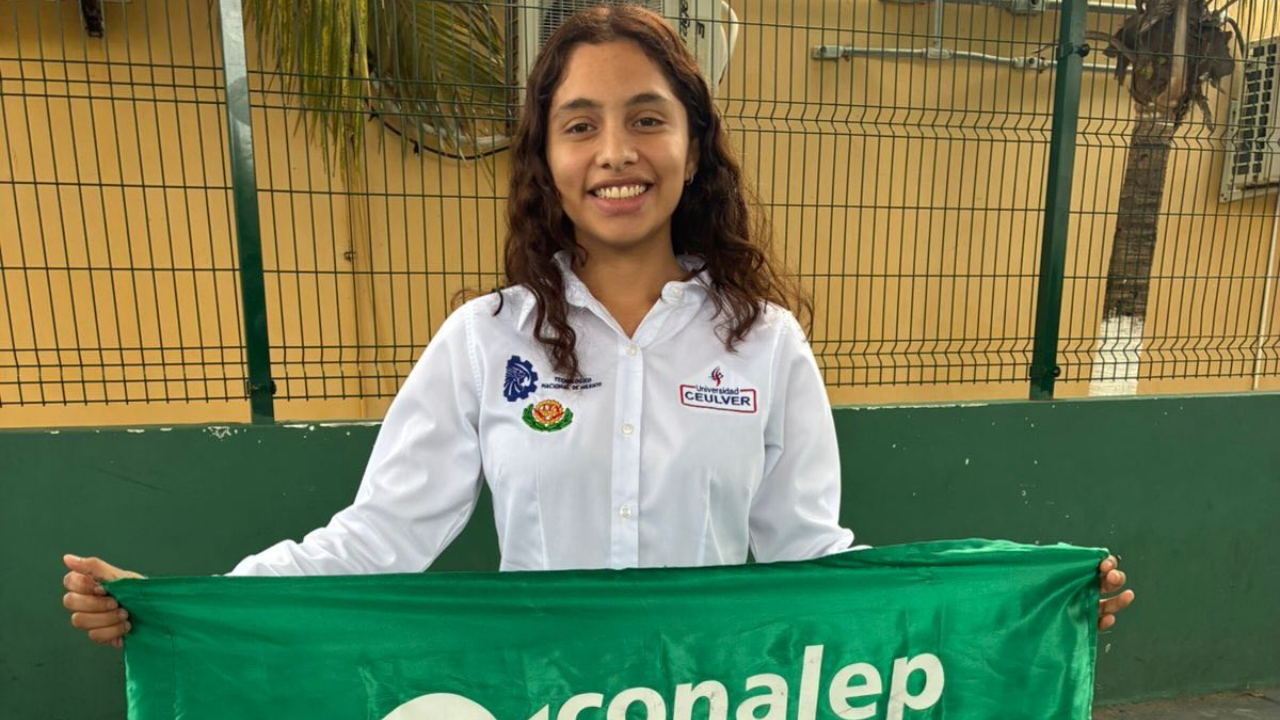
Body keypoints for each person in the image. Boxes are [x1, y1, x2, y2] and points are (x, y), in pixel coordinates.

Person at [60, 4, 1133, 650]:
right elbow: (377, 539)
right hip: (544, 693)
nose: (615, 152)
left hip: (715, 693)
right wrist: (190, 604)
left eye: (646, 119)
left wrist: (1016, 606)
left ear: (692, 148)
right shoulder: (484, 340)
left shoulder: (764, 344)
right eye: (581, 125)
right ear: (547, 157)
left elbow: (810, 557)